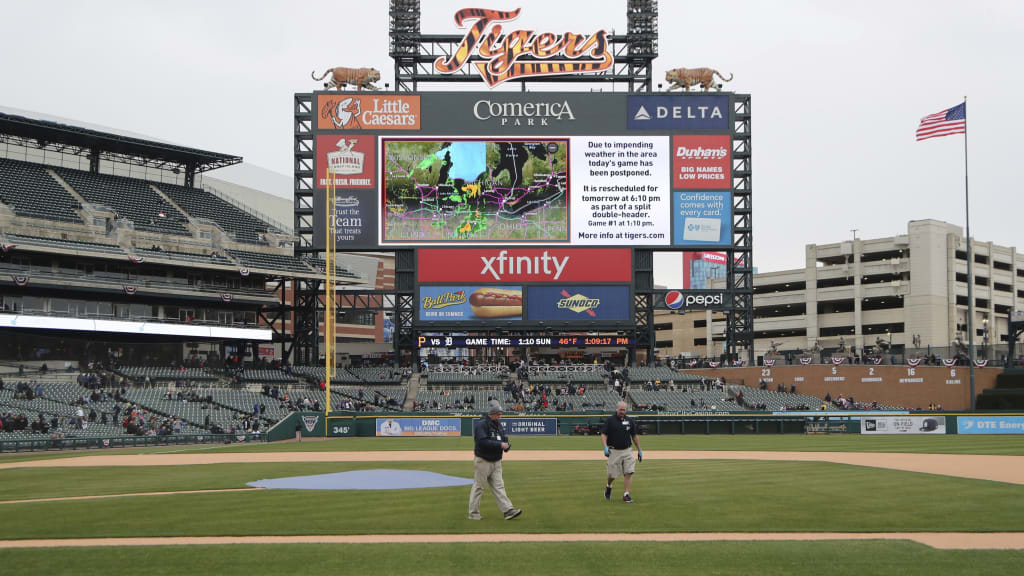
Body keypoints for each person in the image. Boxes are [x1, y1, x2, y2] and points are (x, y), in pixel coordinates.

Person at [468, 400, 522, 521]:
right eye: (498, 414)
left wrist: (507, 446)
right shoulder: (482, 425)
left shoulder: (498, 424)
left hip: (496, 461)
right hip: (483, 461)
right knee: (479, 487)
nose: (500, 416)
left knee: (499, 486)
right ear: (491, 414)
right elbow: (482, 442)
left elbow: (504, 439)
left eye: (500, 414)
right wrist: (499, 445)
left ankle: (508, 510)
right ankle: (473, 513)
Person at [601, 401, 642, 503]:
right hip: (614, 451)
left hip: (627, 450)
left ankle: (626, 494)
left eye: (624, 410)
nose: (622, 412)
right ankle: (609, 486)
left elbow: (634, 436)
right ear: (617, 409)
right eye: (621, 410)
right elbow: (603, 434)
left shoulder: (629, 420)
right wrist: (605, 447)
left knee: (629, 471)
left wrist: (639, 450)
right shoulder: (610, 420)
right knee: (612, 475)